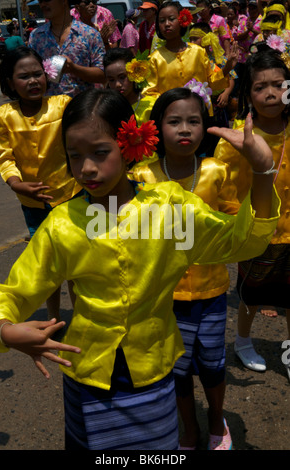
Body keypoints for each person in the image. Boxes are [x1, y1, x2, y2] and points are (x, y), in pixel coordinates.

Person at [0, 88, 280, 450]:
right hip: (87, 373)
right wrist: (4, 330)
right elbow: (14, 291)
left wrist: (263, 170)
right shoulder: (62, 224)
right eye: (74, 156)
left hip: (153, 372)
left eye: (99, 152)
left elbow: (243, 243)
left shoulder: (168, 209)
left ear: (129, 147)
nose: (86, 169)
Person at [131, 85, 241, 450]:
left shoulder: (215, 171)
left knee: (212, 362)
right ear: (156, 127)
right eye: (174, 121)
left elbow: (234, 219)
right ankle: (188, 426)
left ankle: (215, 416)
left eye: (193, 121)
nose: (184, 129)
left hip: (210, 291)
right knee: (175, 368)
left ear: (205, 126)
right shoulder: (142, 177)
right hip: (163, 295)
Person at [214, 46, 290, 381]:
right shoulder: (238, 138)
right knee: (250, 295)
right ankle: (243, 341)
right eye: (260, 87)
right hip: (257, 235)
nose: (271, 94)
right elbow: (225, 191)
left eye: (279, 84)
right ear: (248, 93)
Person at [0, 46, 82, 320]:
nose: (33, 81)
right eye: (24, 76)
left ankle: (81, 318)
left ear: (47, 75)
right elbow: (4, 157)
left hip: (71, 196)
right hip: (34, 204)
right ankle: (54, 318)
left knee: (77, 263)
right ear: (9, 82)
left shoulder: (63, 105)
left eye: (37, 74)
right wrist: (16, 184)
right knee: (48, 266)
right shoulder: (2, 116)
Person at [142, 1, 238, 108]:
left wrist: (227, 68)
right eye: (162, 21)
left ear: (183, 20)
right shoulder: (154, 59)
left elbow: (210, 82)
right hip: (172, 117)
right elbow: (149, 93)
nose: (167, 24)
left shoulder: (198, 52)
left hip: (199, 114)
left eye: (171, 19)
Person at [29, 0, 105, 97]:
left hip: (81, 107)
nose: (43, 4)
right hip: (49, 109)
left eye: (47, 0)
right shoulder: (36, 36)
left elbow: (103, 75)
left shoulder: (89, 34)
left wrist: (74, 69)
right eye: (40, 1)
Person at [103, 47, 157, 126]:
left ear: (134, 73)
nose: (117, 84)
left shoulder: (151, 106)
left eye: (122, 77)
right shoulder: (107, 110)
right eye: (111, 80)